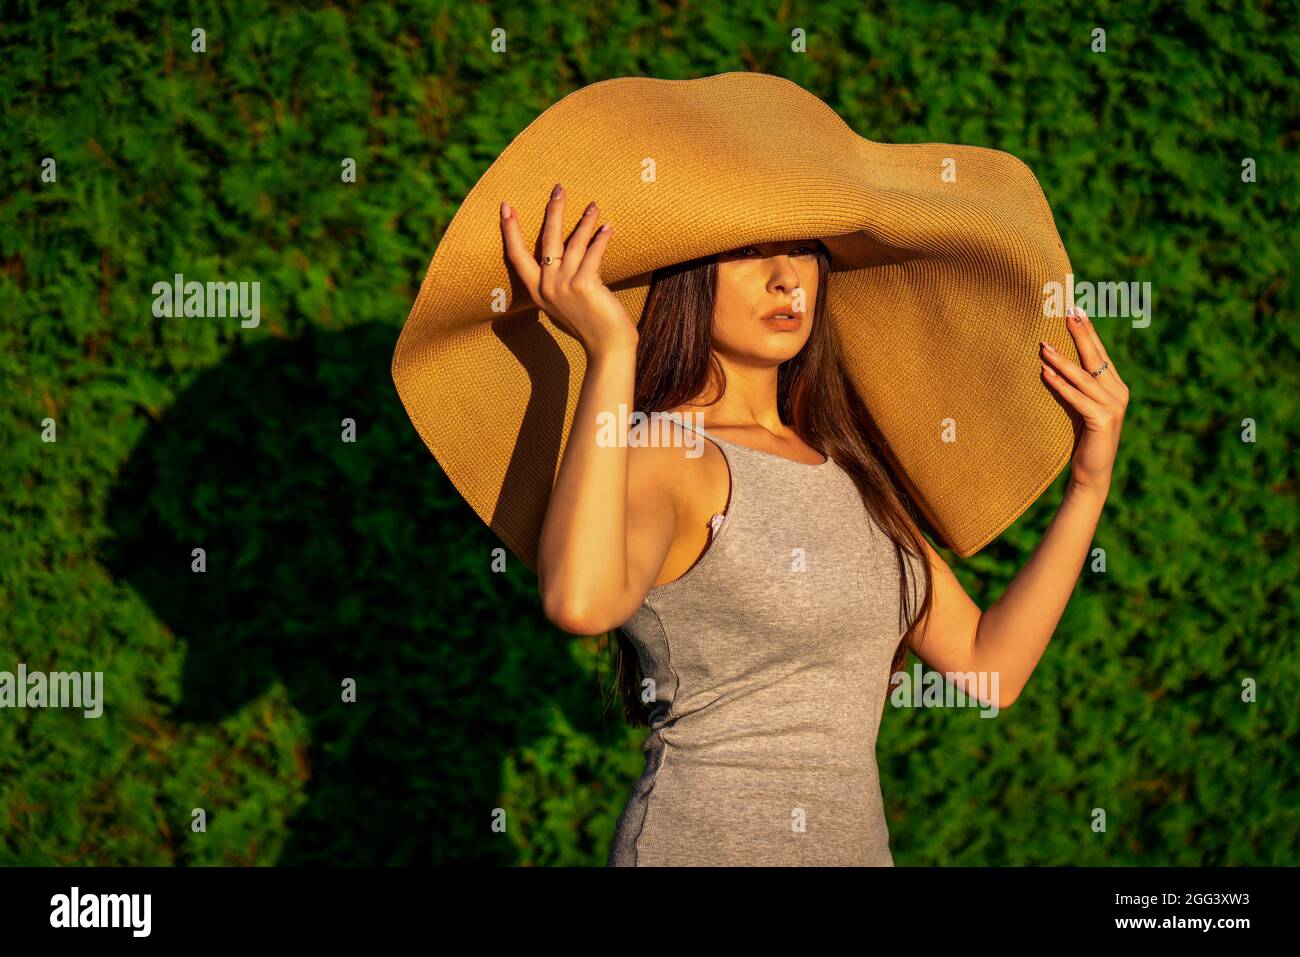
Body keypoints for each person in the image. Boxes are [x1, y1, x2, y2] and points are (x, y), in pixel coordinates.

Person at [503, 182, 1129, 866]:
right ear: (687, 278)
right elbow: (579, 600)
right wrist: (612, 352)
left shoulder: (855, 469)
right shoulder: (669, 451)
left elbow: (989, 668)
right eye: (747, 252)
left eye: (803, 250)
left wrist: (1089, 482)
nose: (785, 278)